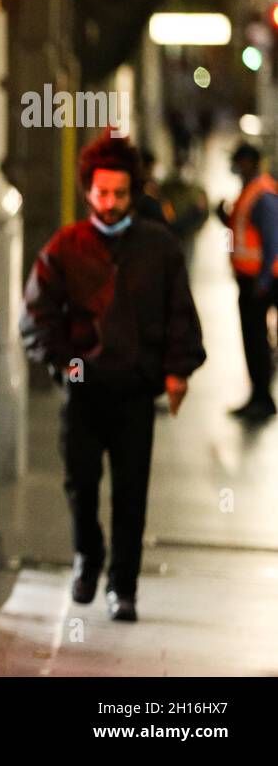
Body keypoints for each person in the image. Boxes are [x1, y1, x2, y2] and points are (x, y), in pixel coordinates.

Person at [21, 132, 205, 622]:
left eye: (120, 194)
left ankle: (123, 586)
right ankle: (88, 558)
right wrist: (71, 367)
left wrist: (176, 370)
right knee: (80, 483)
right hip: (83, 393)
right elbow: (37, 318)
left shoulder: (158, 246)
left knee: (131, 489)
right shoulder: (66, 246)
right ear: (88, 192)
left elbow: (179, 313)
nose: (111, 203)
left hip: (135, 392)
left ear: (132, 192)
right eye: (102, 194)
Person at [215, 142, 278, 421]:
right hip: (248, 278)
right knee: (252, 340)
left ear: (250, 162)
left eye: (240, 161)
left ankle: (263, 398)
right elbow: (241, 232)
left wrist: (263, 280)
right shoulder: (250, 191)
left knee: (256, 341)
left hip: (258, 281)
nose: (236, 167)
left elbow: (273, 239)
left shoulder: (261, 193)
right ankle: (257, 395)